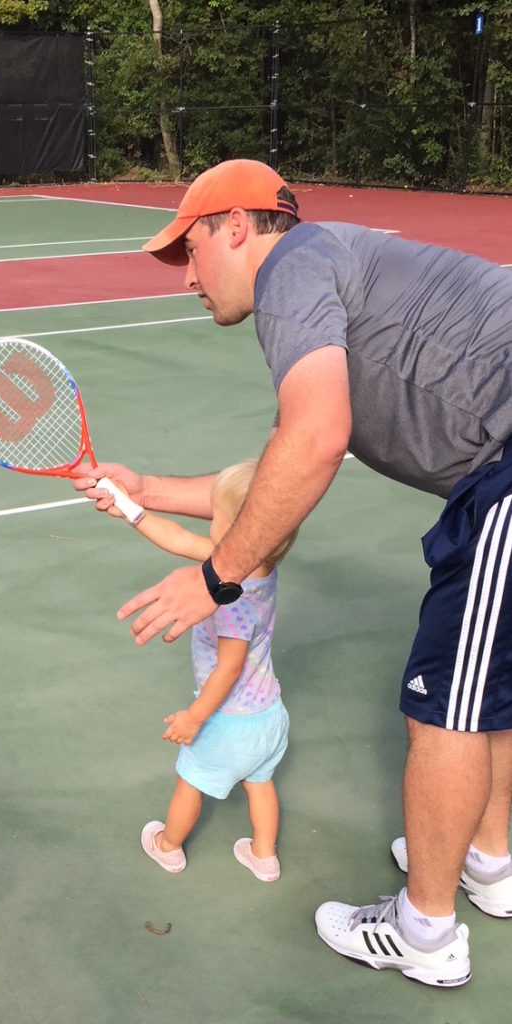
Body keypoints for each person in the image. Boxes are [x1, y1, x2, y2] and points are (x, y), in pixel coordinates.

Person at [73, 157, 512, 988]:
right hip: (498, 464)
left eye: (189, 251)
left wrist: (214, 580)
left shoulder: (294, 271)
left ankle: (424, 932)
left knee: (448, 707)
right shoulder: (334, 273)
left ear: (235, 227)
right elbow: (271, 471)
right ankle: (489, 863)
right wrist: (146, 488)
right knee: (488, 689)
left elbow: (313, 442)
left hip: (507, 468)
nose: (187, 278)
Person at [104, 460, 296, 882]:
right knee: (260, 783)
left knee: (189, 783)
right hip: (269, 716)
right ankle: (264, 856)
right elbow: (176, 538)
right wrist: (130, 507)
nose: (209, 519)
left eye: (216, 515)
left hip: (227, 723)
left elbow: (228, 669)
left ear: (233, 531)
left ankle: (167, 847)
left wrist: (195, 718)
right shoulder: (261, 567)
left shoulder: (230, 597)